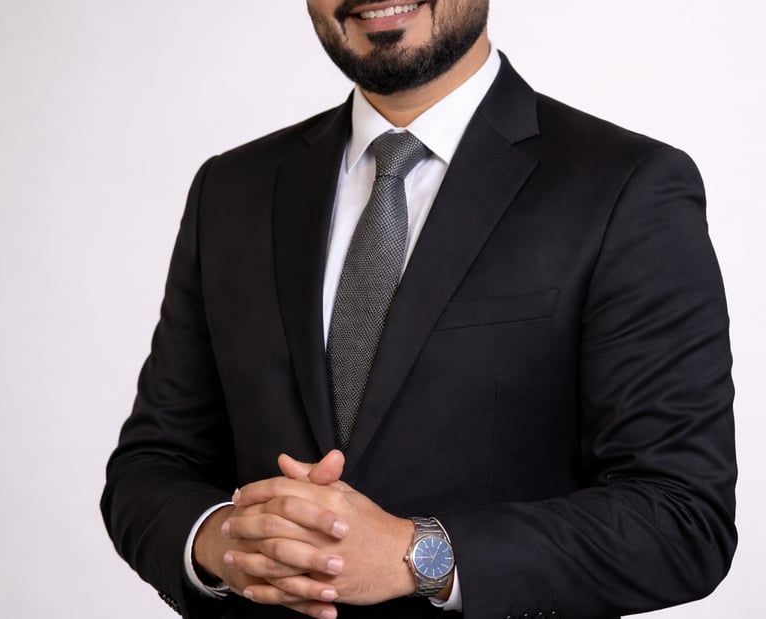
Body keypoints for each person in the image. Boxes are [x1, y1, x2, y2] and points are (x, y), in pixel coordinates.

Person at [101, 2, 737, 619]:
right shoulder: (232, 189)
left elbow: (682, 516)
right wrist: (225, 541)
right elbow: (153, 464)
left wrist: (415, 555)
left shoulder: (626, 186)